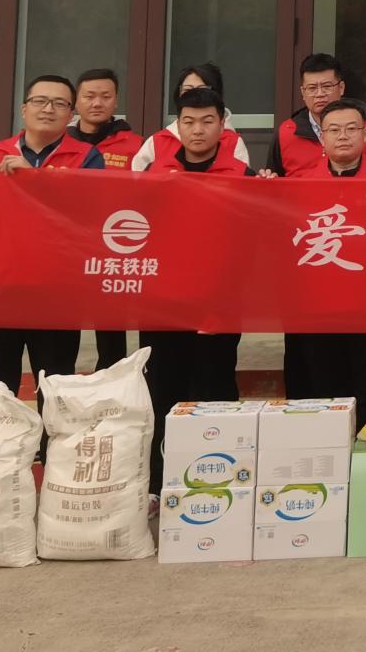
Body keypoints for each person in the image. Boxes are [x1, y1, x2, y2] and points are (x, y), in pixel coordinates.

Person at [0, 74, 103, 404]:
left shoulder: (87, 158)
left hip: (56, 298)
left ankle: (51, 442)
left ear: (71, 113)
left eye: (59, 103)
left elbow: (90, 217)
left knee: (57, 398)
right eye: (39, 101)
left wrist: (35, 179)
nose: (48, 109)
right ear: (24, 108)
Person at [139, 86, 249, 492]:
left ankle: (219, 480)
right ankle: (158, 485)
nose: (197, 130)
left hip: (218, 308)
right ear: (178, 126)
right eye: (188, 121)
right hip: (163, 307)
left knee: (215, 389)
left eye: (207, 121)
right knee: (161, 393)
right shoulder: (153, 176)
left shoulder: (243, 177)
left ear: (222, 126)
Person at [280, 98, 366, 429]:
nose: (343, 136)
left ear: (365, 134)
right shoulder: (298, 185)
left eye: (351, 129)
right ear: (322, 137)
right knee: (322, 386)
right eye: (334, 130)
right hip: (317, 305)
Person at [70, 66, 141, 370]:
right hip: (69, 243)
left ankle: (114, 373)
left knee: (111, 321)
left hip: (114, 244)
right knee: (64, 315)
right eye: (89, 96)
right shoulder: (61, 142)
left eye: (105, 96)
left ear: (116, 100)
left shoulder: (136, 145)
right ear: (76, 101)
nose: (97, 103)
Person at [265, 52, 366, 177]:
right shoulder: (286, 132)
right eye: (312, 88)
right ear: (303, 92)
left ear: (341, 87)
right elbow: (274, 182)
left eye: (327, 86)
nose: (320, 94)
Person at [132, 63, 251, 172]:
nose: (195, 95)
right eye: (187, 90)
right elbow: (137, 182)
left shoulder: (233, 142)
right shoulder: (157, 141)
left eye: (202, 89)